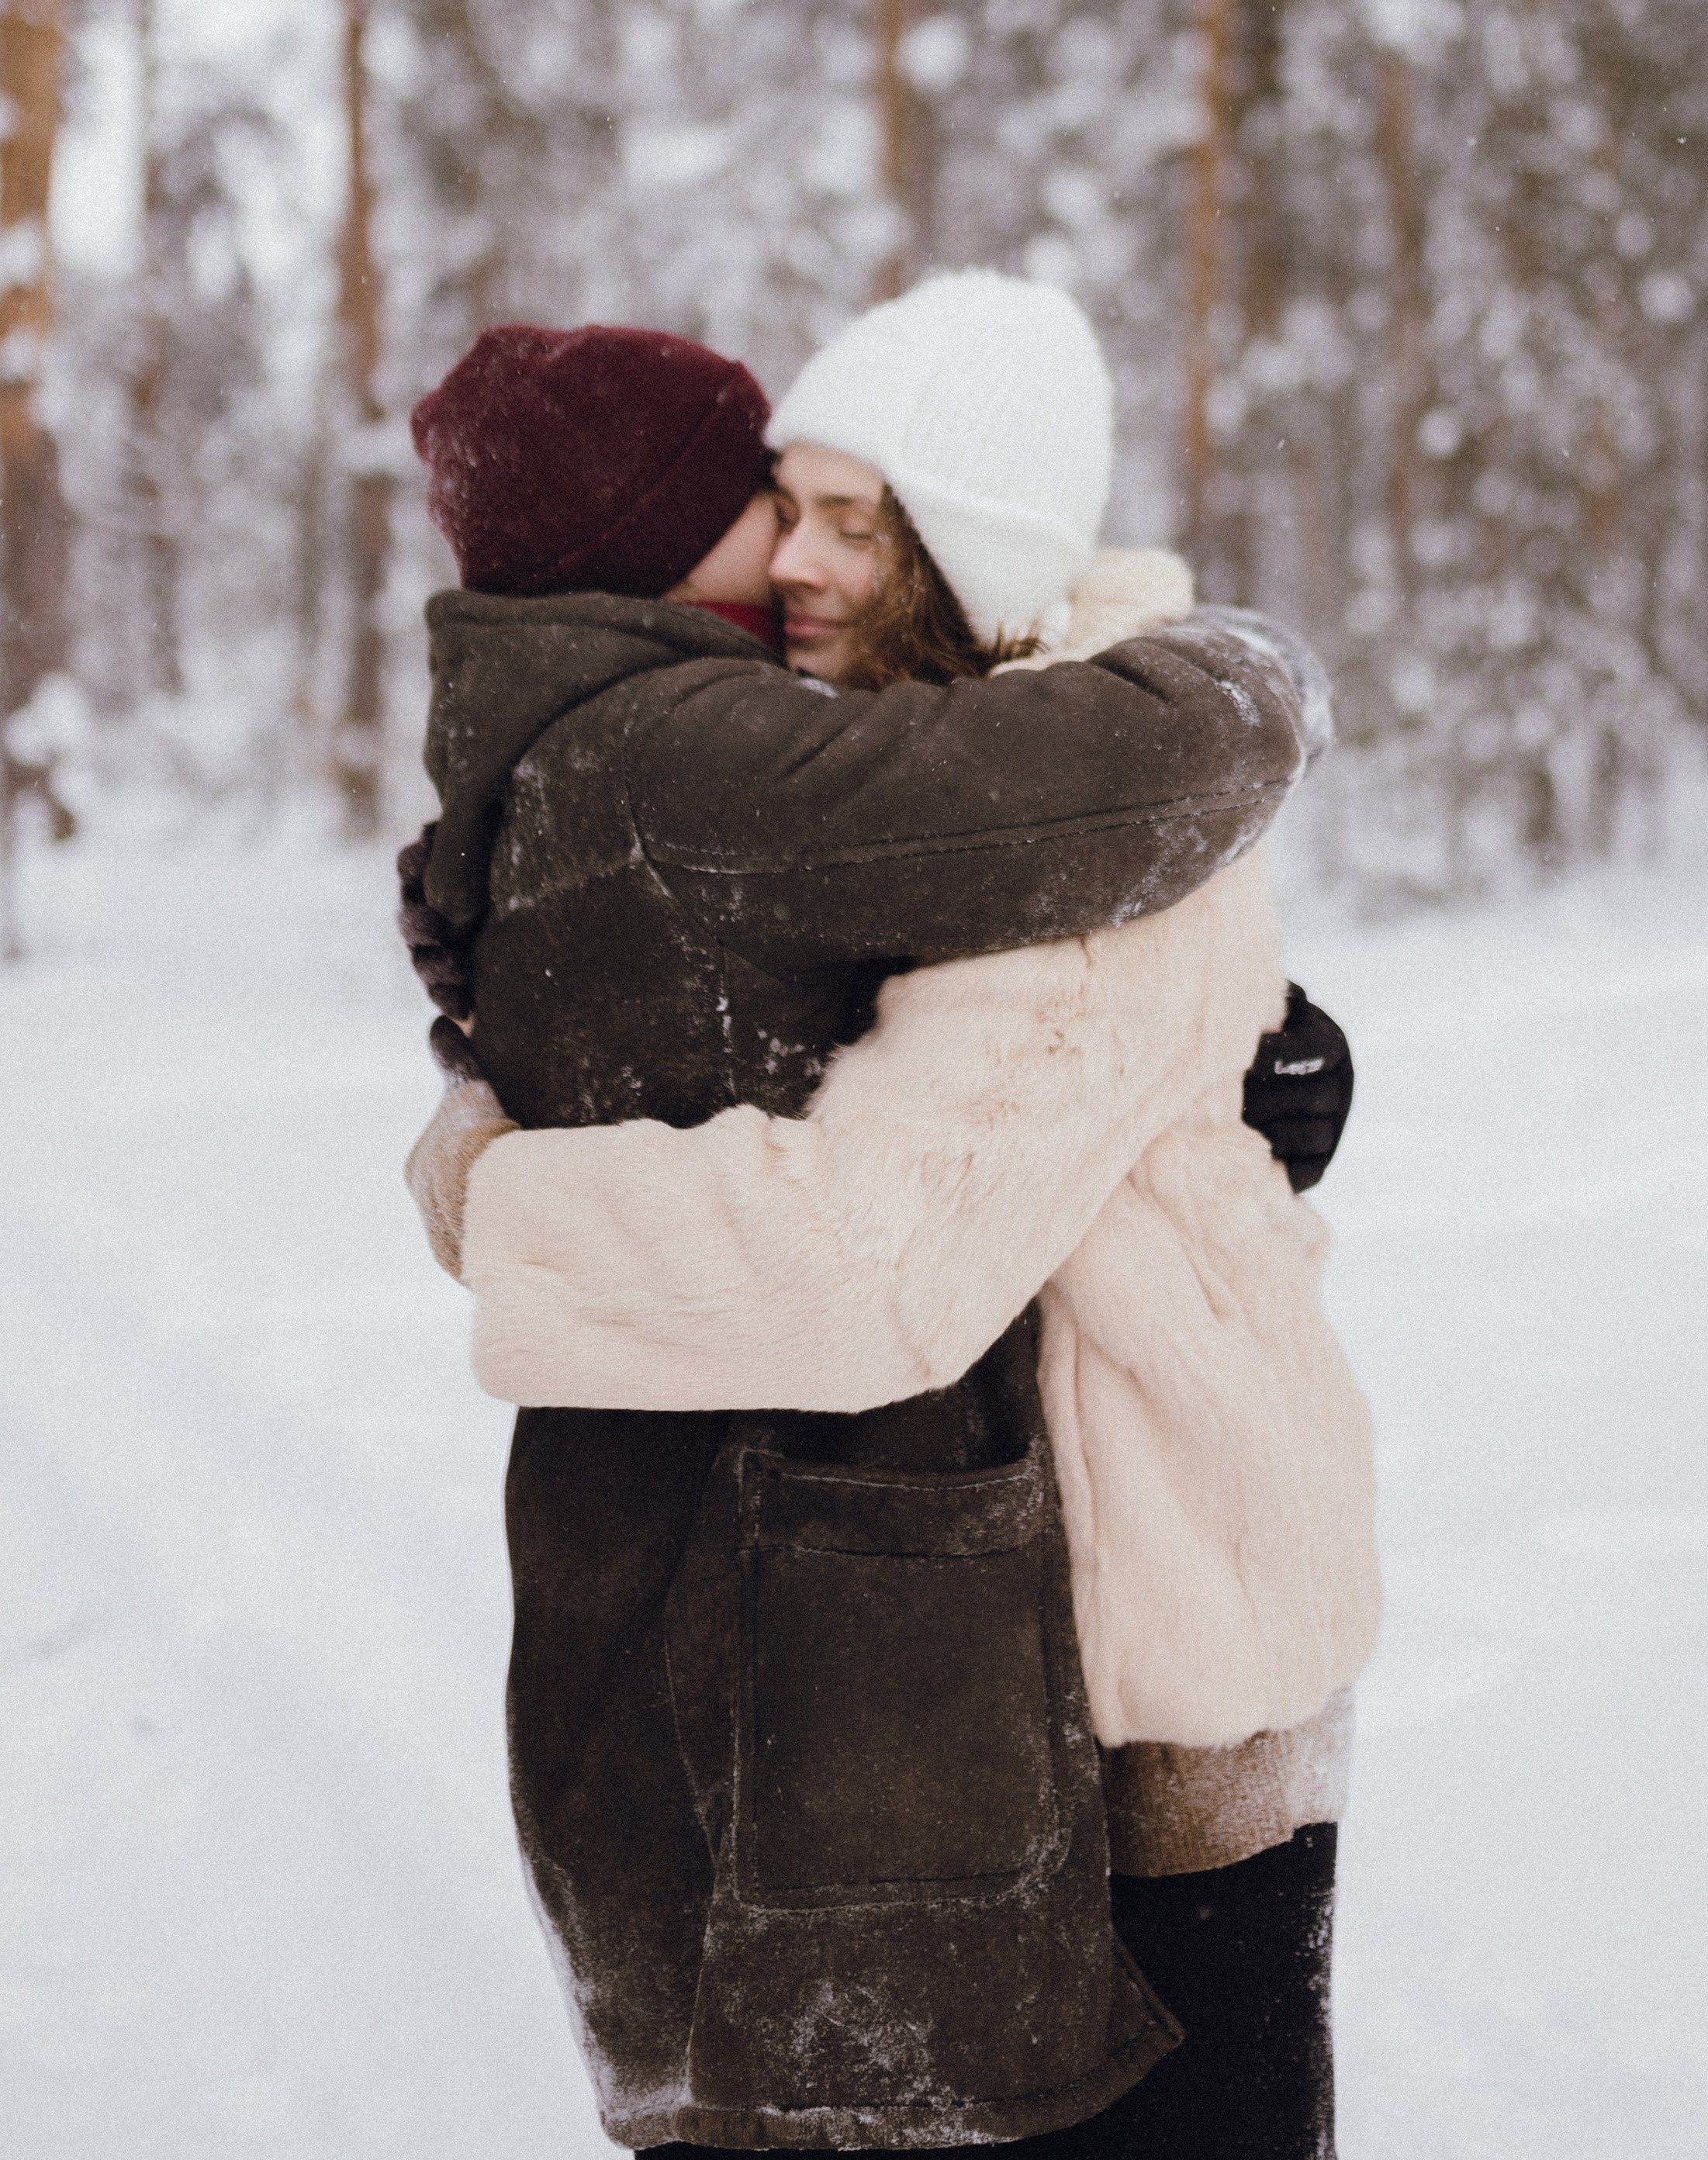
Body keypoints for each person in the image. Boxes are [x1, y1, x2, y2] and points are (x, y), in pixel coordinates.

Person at [396, 289, 1347, 2153]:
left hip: (1163, 1634)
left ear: (961, 545)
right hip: (1003, 1617)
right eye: (789, 505)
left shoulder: (1055, 842)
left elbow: (862, 1263)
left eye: (857, 519)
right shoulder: (859, 775)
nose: (796, 561)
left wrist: (491, 1191)